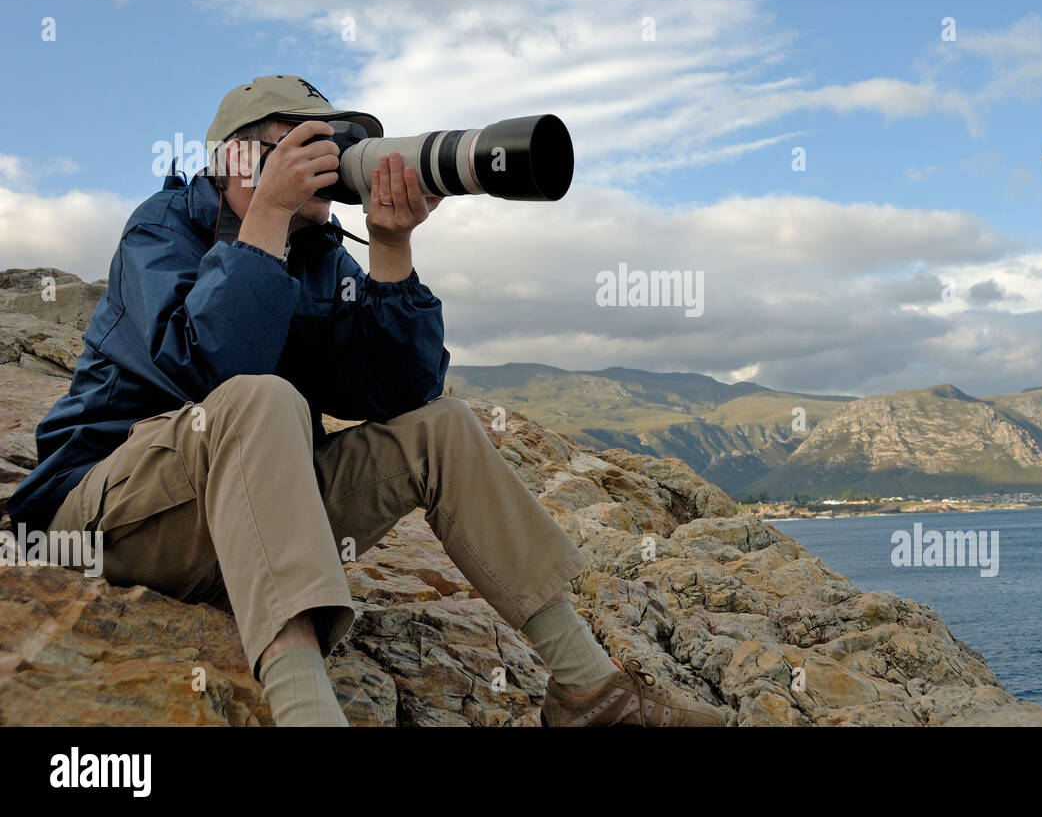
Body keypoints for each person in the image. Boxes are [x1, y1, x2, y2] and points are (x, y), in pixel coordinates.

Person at [6, 74, 724, 727]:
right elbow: (208, 367)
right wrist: (266, 223)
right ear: (236, 160)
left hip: (241, 533)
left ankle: (590, 688)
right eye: (303, 144)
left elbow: (401, 392)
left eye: (337, 144)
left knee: (440, 426)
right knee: (263, 399)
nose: (329, 159)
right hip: (112, 518)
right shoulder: (161, 228)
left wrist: (389, 250)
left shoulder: (320, 253)